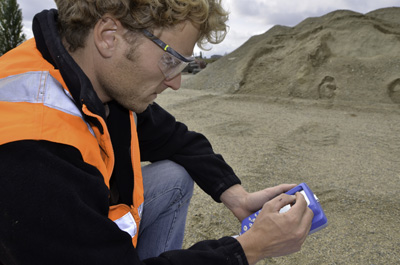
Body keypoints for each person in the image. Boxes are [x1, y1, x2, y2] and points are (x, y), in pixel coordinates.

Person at [0, 0, 313, 264]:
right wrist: (248, 248)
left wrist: (238, 198)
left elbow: (176, 138)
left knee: (175, 176)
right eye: (170, 61)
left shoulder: (94, 82)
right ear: (109, 36)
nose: (176, 82)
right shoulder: (32, 147)